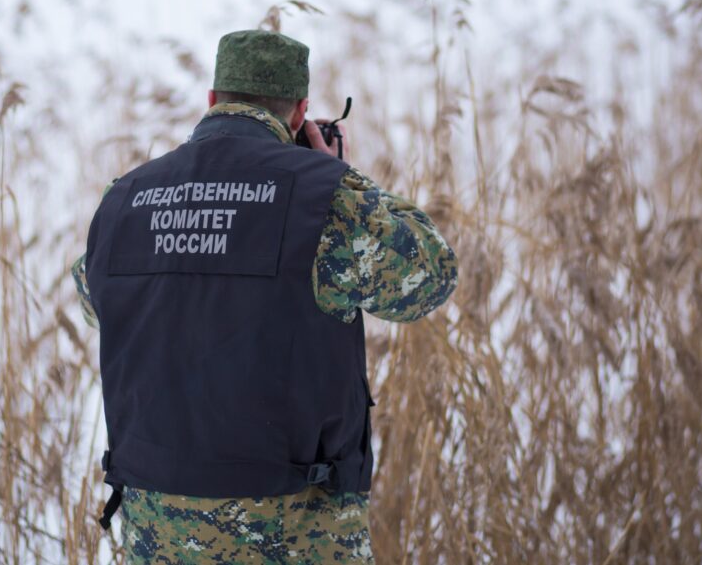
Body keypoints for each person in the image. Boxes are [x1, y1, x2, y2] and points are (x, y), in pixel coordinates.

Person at [70, 29, 458, 563]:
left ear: (212, 100)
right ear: (299, 114)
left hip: (154, 531)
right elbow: (429, 276)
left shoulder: (124, 199)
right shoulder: (322, 200)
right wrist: (338, 173)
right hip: (290, 530)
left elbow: (98, 302)